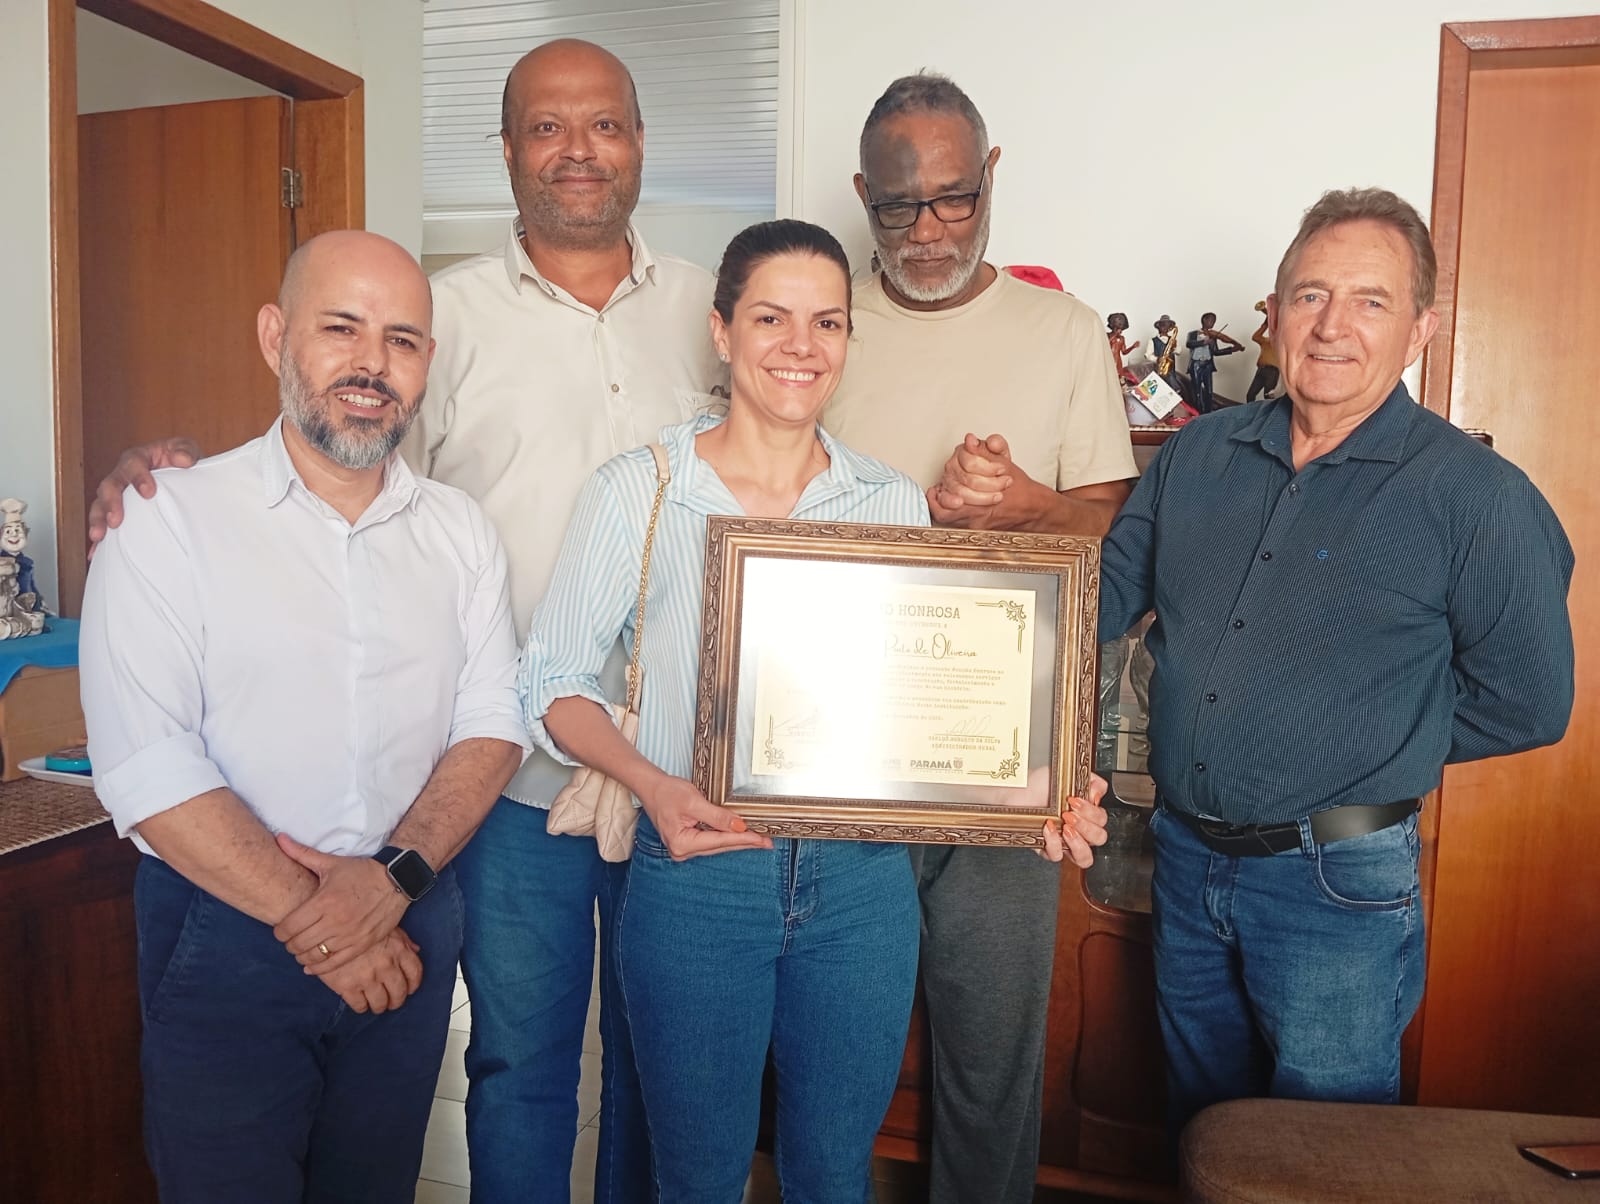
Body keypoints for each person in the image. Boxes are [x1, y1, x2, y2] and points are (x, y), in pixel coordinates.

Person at [85, 40, 721, 1202]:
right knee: (521, 1064)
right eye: (545, 126)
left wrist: (381, 889)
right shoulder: (445, 313)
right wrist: (161, 473)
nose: (577, 150)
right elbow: (335, 445)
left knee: (660, 1061)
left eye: (604, 123)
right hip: (509, 796)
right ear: (507, 148)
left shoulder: (713, 310)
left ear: (640, 139)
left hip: (672, 759)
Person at [523, 218, 1106, 1203]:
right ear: (721, 330)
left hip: (862, 888)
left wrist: (1038, 781)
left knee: (834, 1176)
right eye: (771, 318)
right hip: (701, 874)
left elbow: (930, 699)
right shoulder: (641, 491)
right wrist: (655, 788)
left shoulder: (889, 500)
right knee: (698, 1179)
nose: (801, 345)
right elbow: (552, 684)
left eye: (827, 322)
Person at [1097, 187, 1575, 1139]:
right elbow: (1101, 600)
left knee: (1325, 1154)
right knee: (1204, 1136)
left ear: (1420, 330)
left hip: (1337, 884)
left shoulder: (1478, 497)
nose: (1331, 325)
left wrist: (1370, 736)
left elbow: (1528, 703)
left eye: (1370, 300)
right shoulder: (1197, 455)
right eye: (1311, 295)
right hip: (1183, 858)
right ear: (1274, 315)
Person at [77, 231, 530, 1203]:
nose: (372, 363)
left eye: (401, 340)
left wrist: (391, 883)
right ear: (275, 337)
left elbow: (494, 722)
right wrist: (326, 921)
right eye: (341, 328)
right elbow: (149, 767)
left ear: (426, 363)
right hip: (225, 929)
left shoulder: (461, 533)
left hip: (410, 916)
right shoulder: (165, 519)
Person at [821, 72, 1129, 1204]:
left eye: (956, 198)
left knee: (992, 1051)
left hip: (1010, 757)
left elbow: (1110, 523)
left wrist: (1024, 508)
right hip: (839, 751)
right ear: (862, 194)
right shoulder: (819, 328)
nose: (930, 232)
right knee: (832, 1043)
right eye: (900, 207)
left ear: (991, 176)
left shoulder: (1064, 331)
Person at [1184, 312, 1244, 413]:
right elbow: (1189, 344)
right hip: (1196, 365)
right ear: (1204, 320)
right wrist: (1203, 342)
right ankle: (1199, 412)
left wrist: (1232, 349)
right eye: (1211, 320)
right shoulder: (1193, 333)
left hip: (1207, 365)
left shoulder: (1212, 336)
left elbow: (1216, 352)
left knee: (1209, 391)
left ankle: (1208, 412)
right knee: (1197, 391)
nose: (1213, 323)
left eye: (1214, 321)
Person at [1246, 300, 1280, 401]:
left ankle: (1267, 412)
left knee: (1268, 397)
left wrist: (1273, 318)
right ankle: (1250, 411)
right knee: (1250, 395)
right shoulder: (1265, 341)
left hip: (1272, 371)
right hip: (1261, 369)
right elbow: (1255, 337)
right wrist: (1266, 324)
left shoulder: (1280, 342)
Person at [1106, 312, 1143, 385]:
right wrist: (1115, 334)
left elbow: (1124, 352)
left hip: (1118, 361)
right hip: (1108, 360)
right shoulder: (1107, 335)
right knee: (1108, 376)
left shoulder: (1122, 338)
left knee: (1119, 378)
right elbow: (1105, 345)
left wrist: (1133, 346)